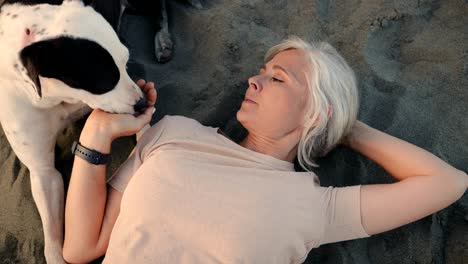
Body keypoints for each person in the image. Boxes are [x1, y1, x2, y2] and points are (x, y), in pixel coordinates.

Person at [62, 36, 467, 264]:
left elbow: (447, 183)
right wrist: (97, 134)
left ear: (314, 112)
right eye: (261, 71)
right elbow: (82, 248)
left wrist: (344, 127)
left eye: (278, 79)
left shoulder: (313, 206)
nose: (254, 80)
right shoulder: (173, 133)